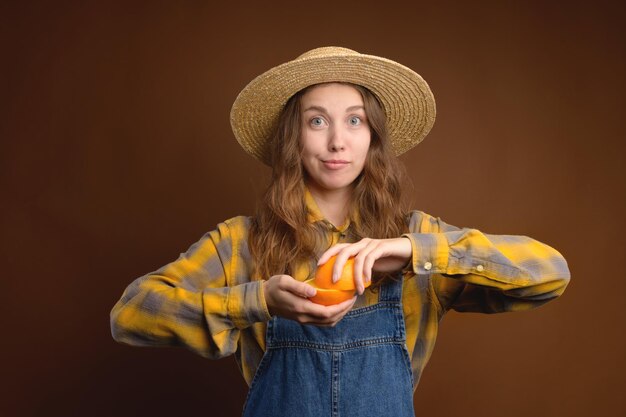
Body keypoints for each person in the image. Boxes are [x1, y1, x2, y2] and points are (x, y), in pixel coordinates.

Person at [110, 46, 570, 416]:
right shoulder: (240, 243)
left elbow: (551, 274)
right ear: (294, 138)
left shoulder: (418, 240)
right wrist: (258, 299)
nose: (337, 141)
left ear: (373, 138)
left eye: (355, 120)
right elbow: (130, 315)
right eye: (317, 121)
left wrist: (415, 252)